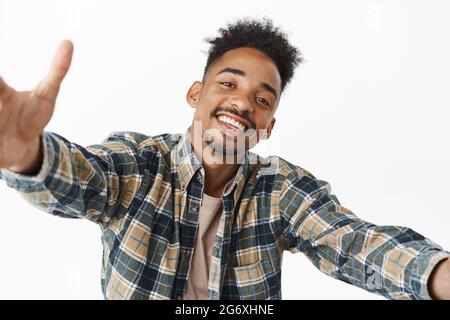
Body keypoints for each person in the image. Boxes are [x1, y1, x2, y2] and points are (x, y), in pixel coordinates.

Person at [0, 17, 449, 300]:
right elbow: (81, 178)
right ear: (196, 94)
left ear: (268, 126)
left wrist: (437, 274)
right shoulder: (139, 164)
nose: (242, 104)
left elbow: (353, 244)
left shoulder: (280, 189)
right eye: (229, 85)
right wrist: (26, 155)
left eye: (262, 99)